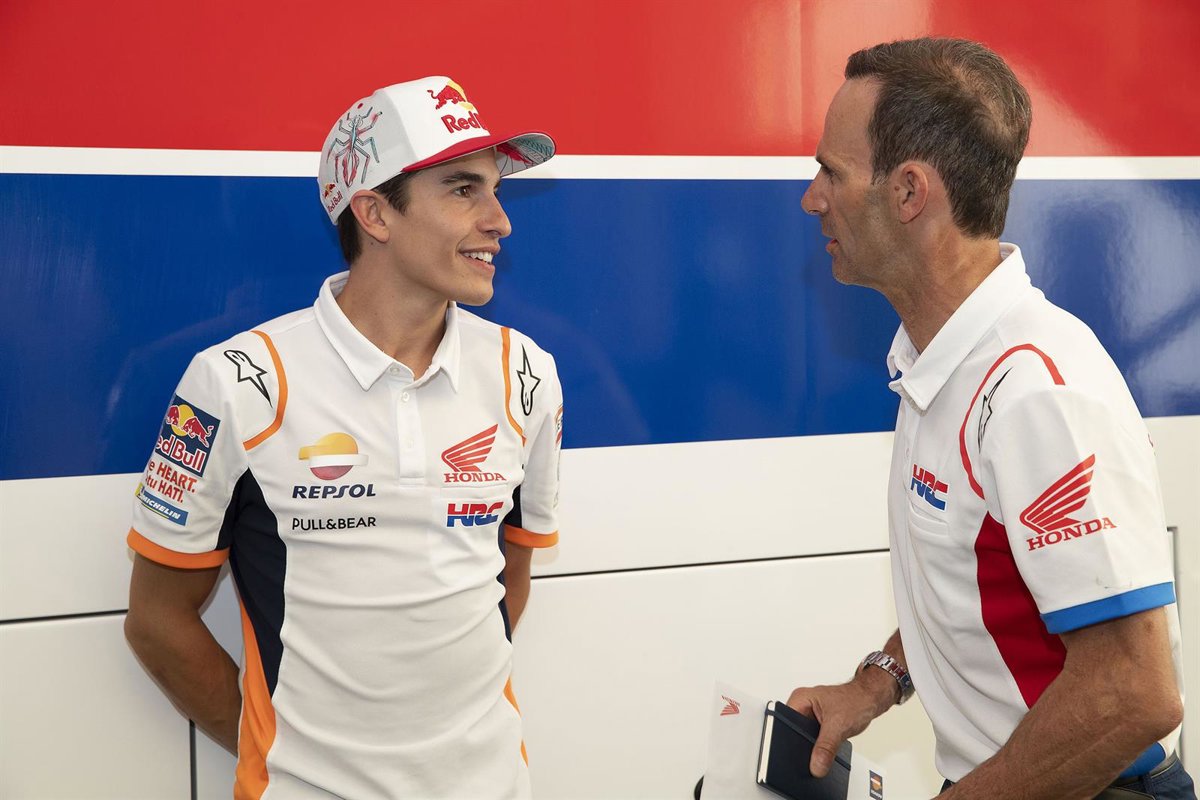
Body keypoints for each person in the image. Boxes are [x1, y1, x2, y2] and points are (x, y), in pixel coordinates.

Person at [123, 77, 563, 799]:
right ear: (375, 213)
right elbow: (157, 621)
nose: (500, 221)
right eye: (463, 190)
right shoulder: (237, 381)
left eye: (495, 190)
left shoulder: (526, 372)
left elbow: (507, 578)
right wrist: (283, 757)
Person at [789, 38, 1194, 799]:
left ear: (910, 192)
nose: (813, 198)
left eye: (831, 172)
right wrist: (873, 685)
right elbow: (980, 589)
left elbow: (1135, 693)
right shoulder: (940, 361)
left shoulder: (1036, 393)